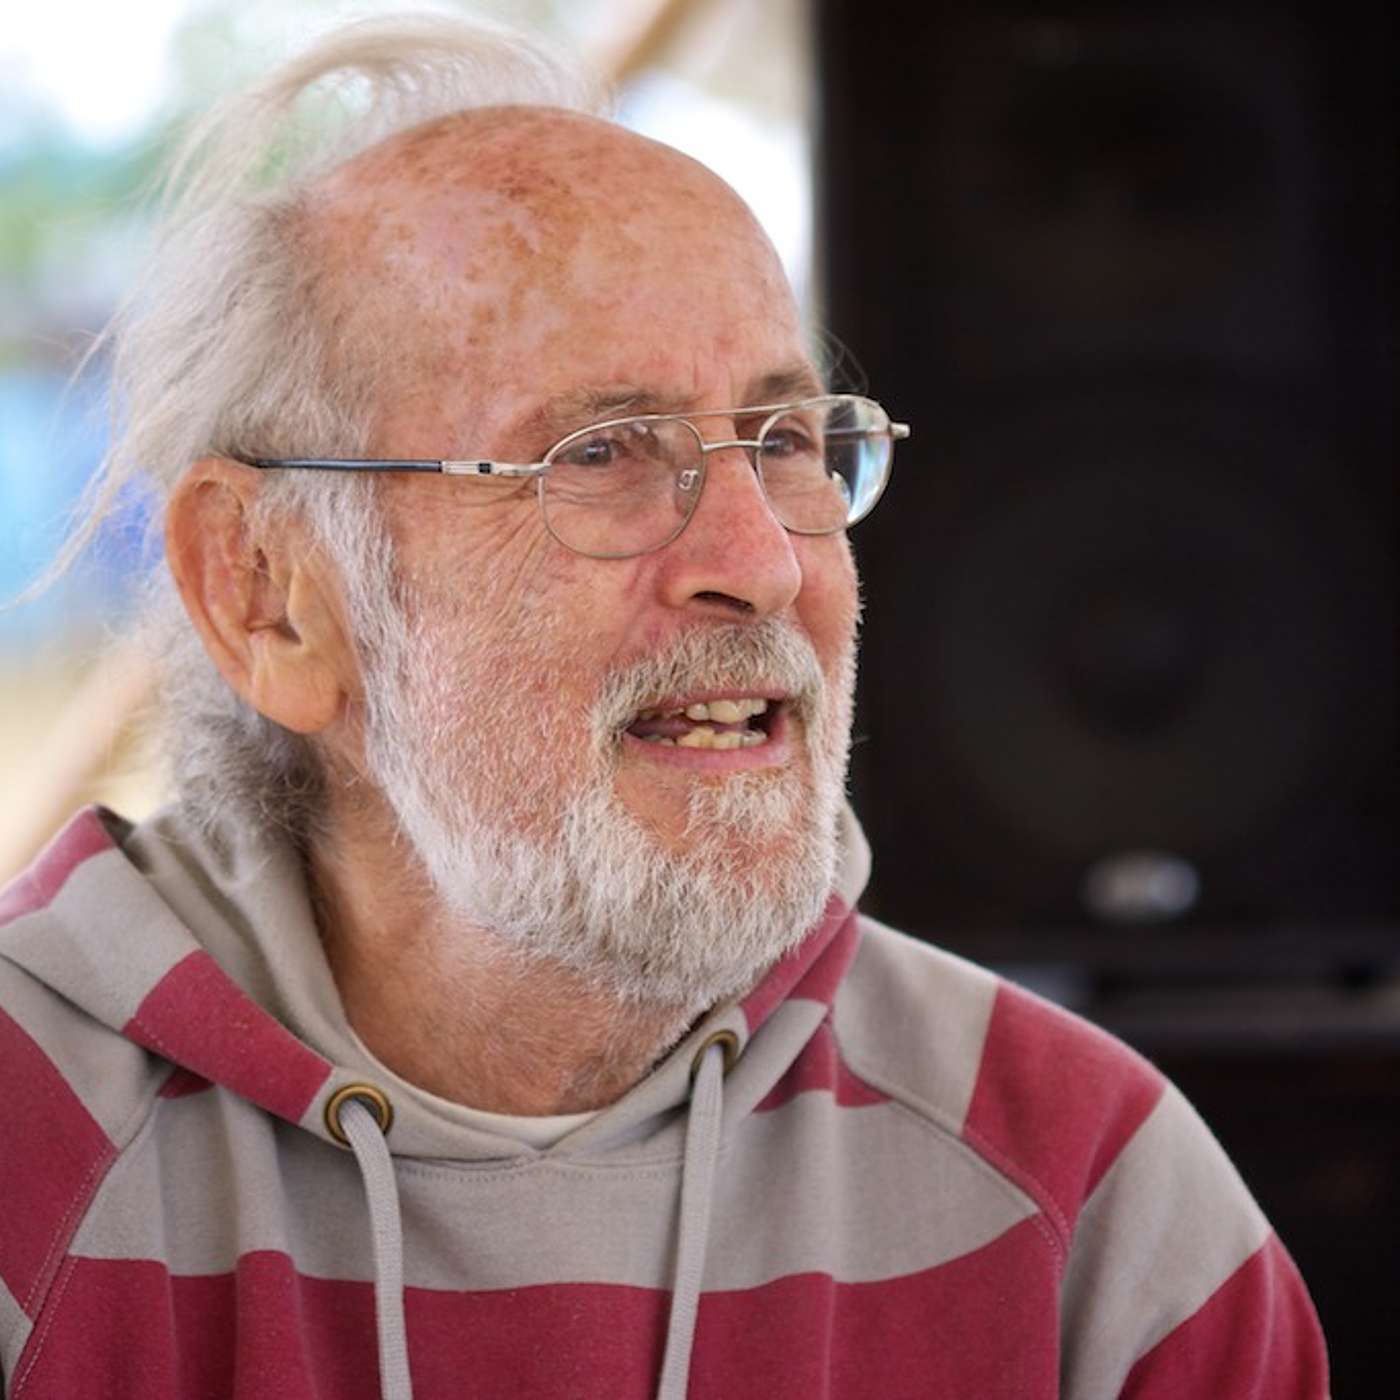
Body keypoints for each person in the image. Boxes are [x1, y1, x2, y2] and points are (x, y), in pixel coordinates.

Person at [0, 14, 1327, 1400]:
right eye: (602, 454)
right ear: (266, 592)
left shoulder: (1094, 1203)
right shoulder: (23, 1159)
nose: (763, 564)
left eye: (786, 440)